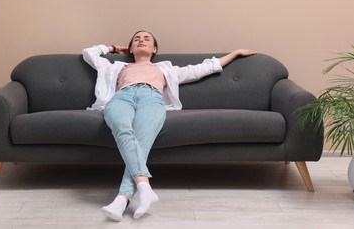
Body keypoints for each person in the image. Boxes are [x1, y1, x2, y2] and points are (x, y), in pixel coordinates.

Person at [82, 30, 256, 221]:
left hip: (152, 99)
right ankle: (144, 187)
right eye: (136, 39)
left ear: (154, 48)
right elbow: (89, 53)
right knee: (123, 129)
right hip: (121, 97)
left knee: (140, 141)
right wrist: (113, 48)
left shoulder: (167, 69)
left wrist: (235, 53)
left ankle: (121, 200)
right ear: (130, 48)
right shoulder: (115, 67)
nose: (141, 40)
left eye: (147, 39)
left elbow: (202, 68)